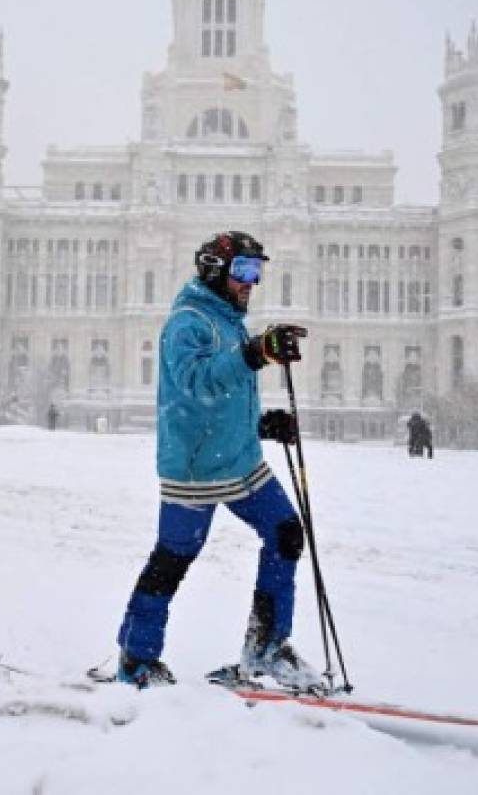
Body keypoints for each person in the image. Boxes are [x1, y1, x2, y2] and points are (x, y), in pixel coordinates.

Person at [114, 230, 322, 691]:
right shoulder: (187, 322)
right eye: (243, 271)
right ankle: (136, 659)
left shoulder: (226, 319)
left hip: (238, 459)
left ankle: (265, 649)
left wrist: (262, 424)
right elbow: (195, 383)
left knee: (286, 533)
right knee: (173, 557)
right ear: (214, 269)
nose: (252, 282)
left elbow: (224, 394)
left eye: (257, 272)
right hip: (195, 469)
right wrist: (256, 353)